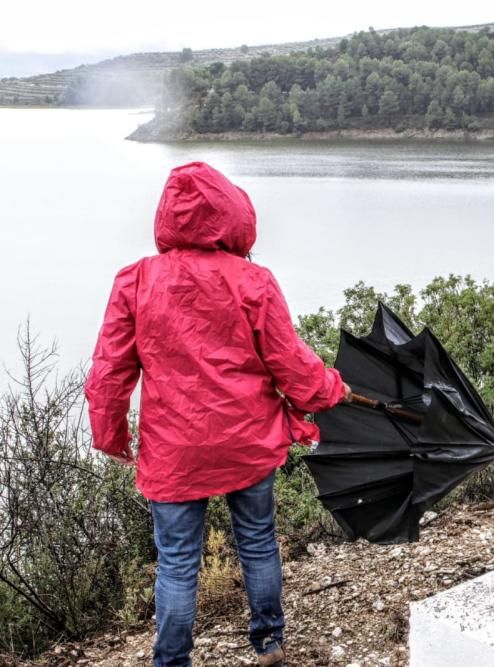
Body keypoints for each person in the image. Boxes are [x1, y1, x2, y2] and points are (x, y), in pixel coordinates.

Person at [84, 161, 350, 667]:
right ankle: (270, 643)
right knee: (256, 541)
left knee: (178, 563)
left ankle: (172, 662)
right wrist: (331, 388)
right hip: (248, 441)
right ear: (232, 216)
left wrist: (110, 434)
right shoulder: (253, 281)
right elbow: (292, 366)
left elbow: (110, 372)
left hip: (173, 451)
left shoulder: (136, 281)